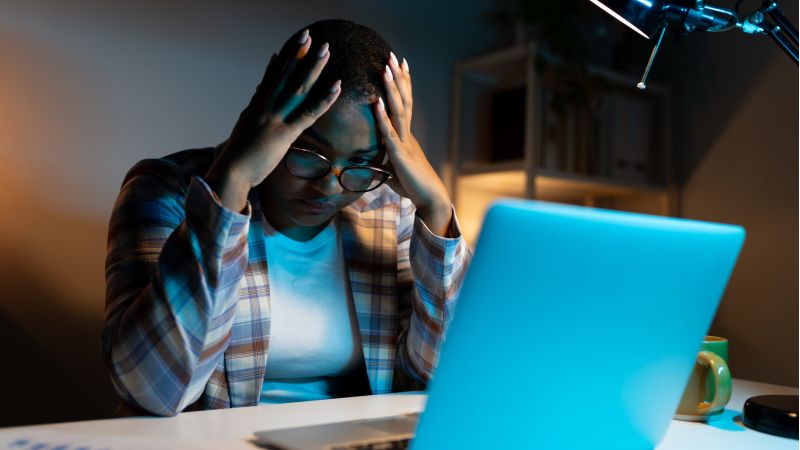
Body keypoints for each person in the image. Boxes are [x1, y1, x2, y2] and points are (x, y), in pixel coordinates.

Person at [101, 19, 471, 417]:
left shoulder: (389, 210)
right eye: (309, 153)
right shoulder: (164, 189)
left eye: (362, 162)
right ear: (266, 116)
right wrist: (231, 184)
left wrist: (436, 209)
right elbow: (152, 392)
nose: (329, 187)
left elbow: (437, 383)